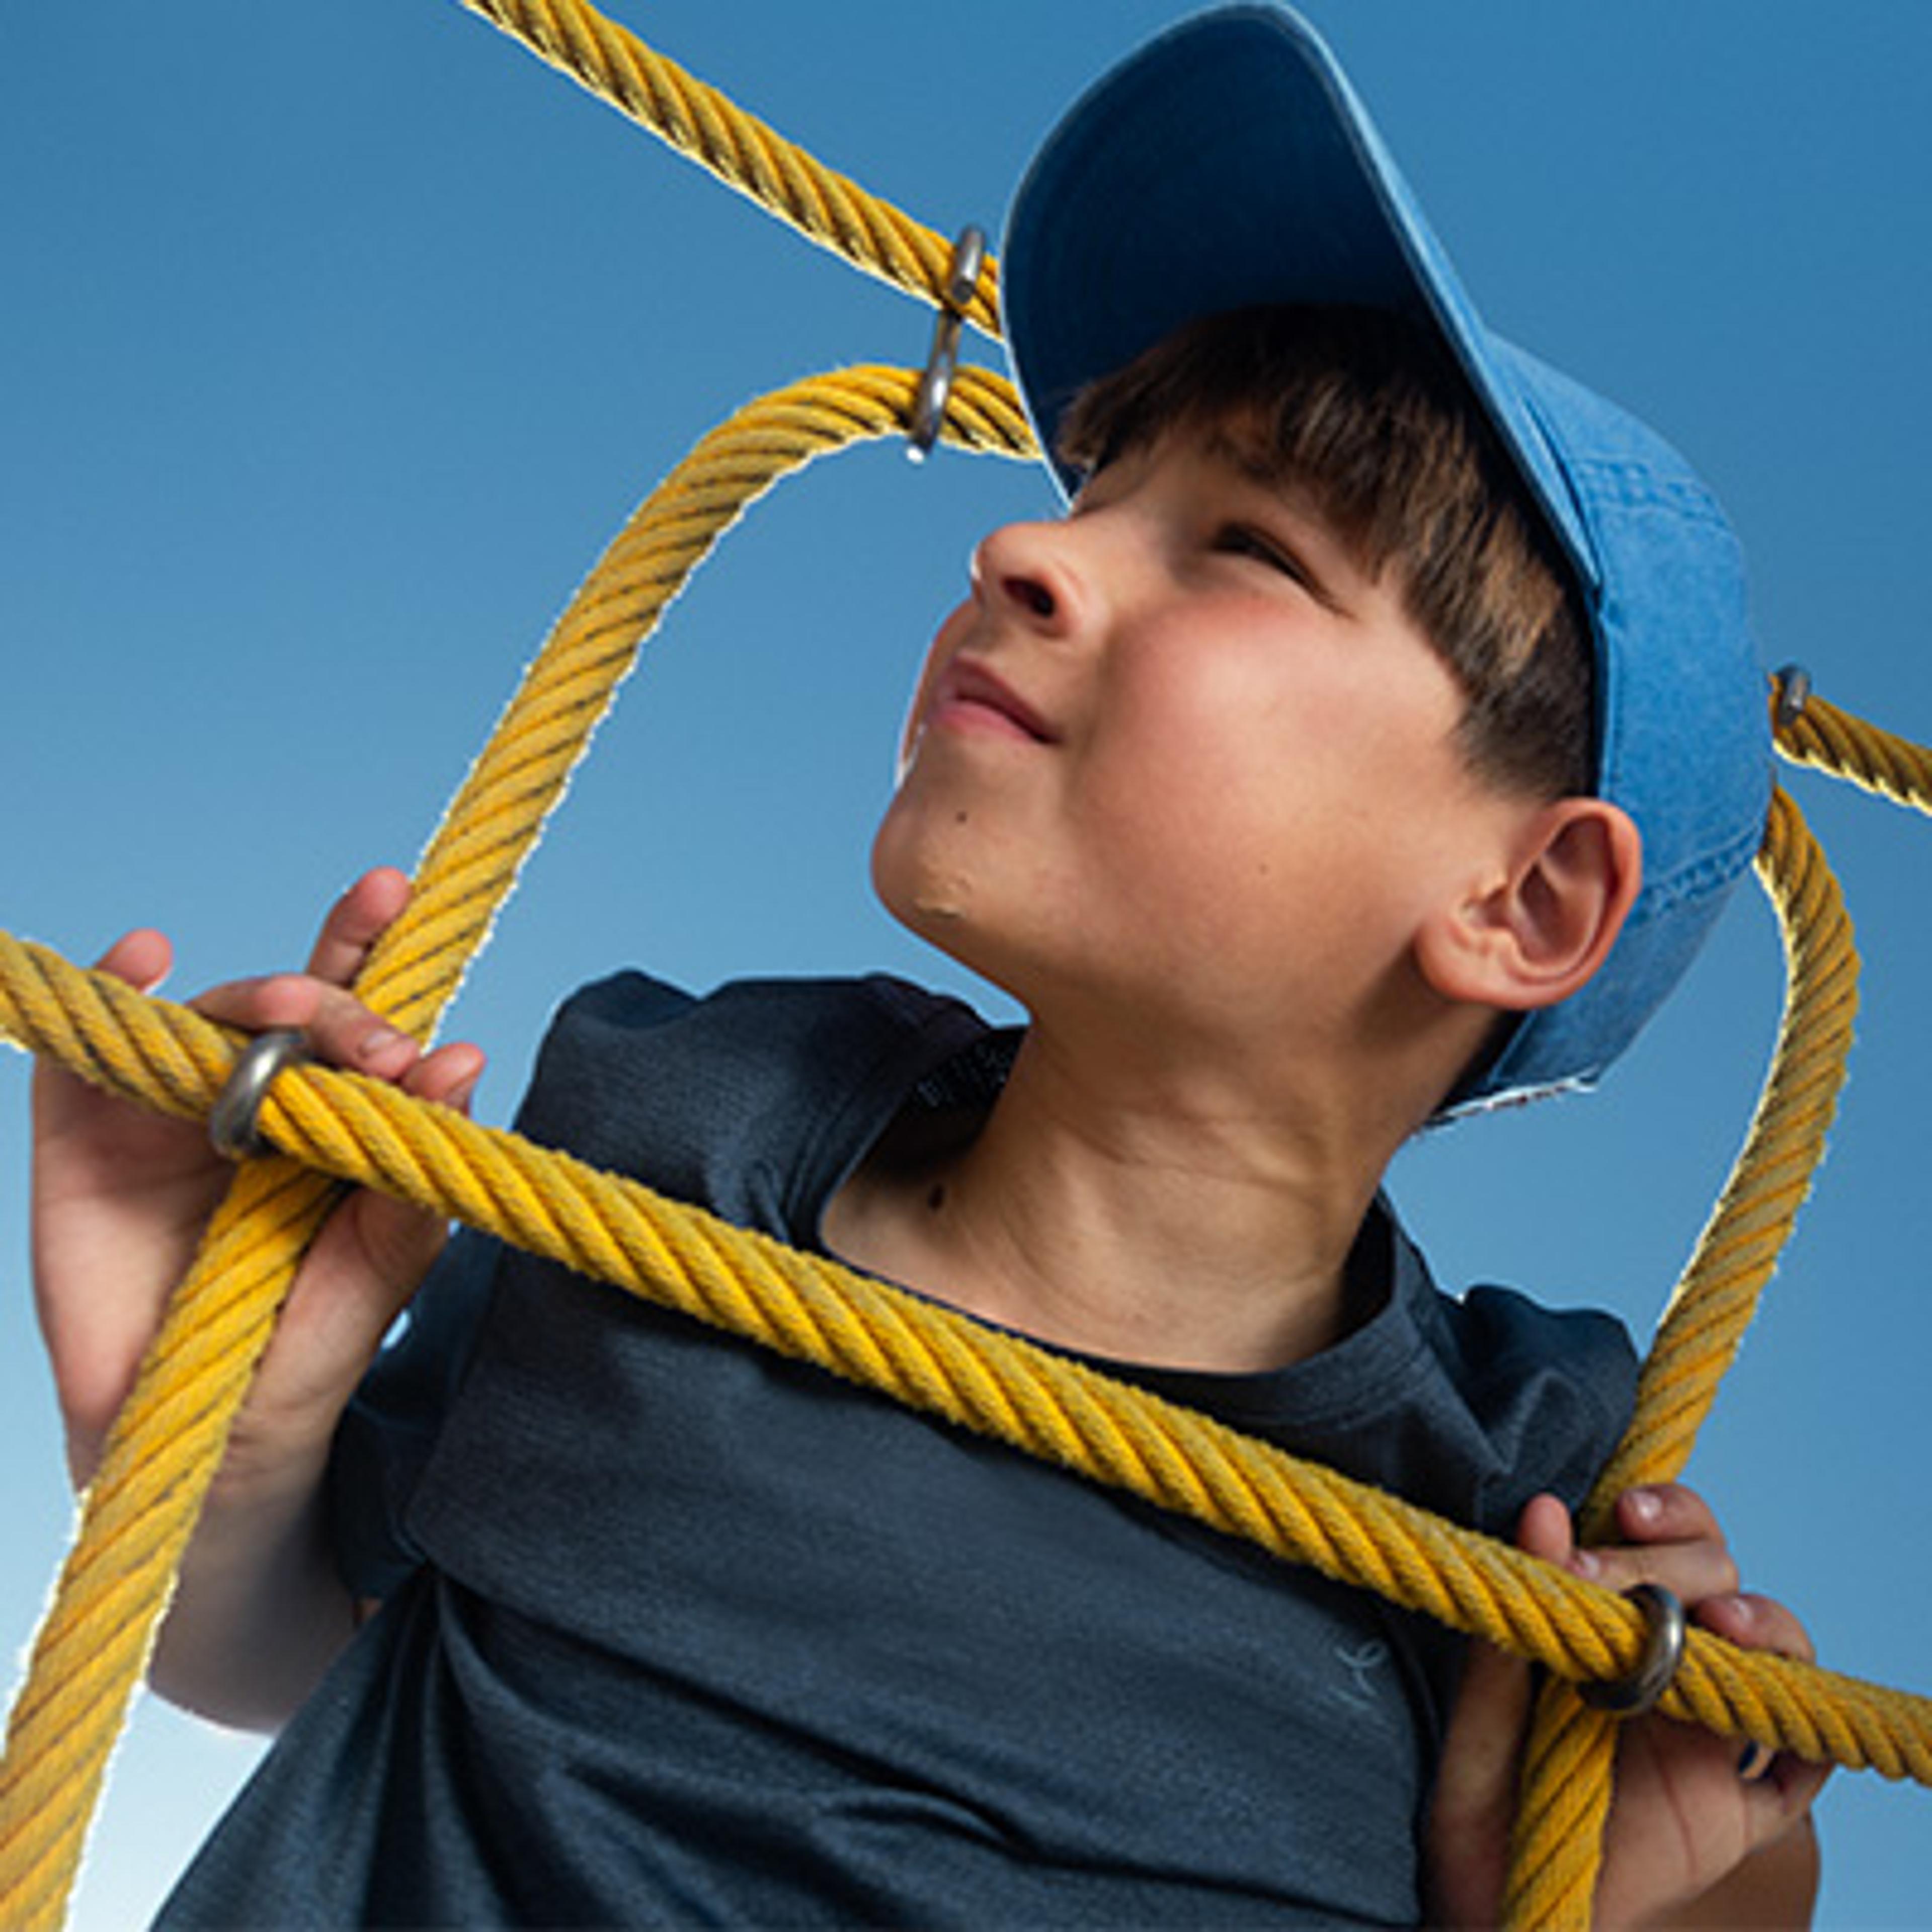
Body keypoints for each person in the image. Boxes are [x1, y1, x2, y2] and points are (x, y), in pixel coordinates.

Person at [30, 6, 1828, 1925]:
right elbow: (314, 1654)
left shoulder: (1513, 1508)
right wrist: (220, 1433)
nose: (1019, 548)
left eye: (1246, 548)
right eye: (1085, 492)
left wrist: (1628, 1896)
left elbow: (1735, 1874)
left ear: (1523, 904)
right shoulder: (684, 1131)